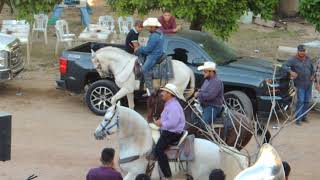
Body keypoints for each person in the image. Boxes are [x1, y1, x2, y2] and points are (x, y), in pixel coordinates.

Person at [153, 83, 186, 178]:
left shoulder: (173, 106)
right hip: (169, 130)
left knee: (158, 149)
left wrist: (160, 123)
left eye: (164, 92)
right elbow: (167, 119)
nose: (162, 93)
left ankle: (168, 175)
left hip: (172, 133)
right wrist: (160, 121)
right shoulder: (170, 104)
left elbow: (172, 123)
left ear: (170, 94)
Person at [282, 45, 314, 125]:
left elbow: (312, 69)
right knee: (301, 101)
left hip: (309, 84)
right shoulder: (293, 59)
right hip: (300, 84)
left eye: (303, 51)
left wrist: (312, 75)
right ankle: (298, 119)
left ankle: (304, 117)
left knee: (307, 101)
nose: (302, 52)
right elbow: (284, 65)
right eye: (301, 51)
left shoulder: (308, 59)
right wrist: (291, 72)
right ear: (298, 51)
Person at [135, 18, 164, 95]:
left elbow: (148, 49)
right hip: (159, 52)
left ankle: (150, 91)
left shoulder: (154, 36)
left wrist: (139, 48)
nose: (147, 28)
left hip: (153, 55)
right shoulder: (159, 32)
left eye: (148, 27)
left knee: (144, 69)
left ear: (153, 27)